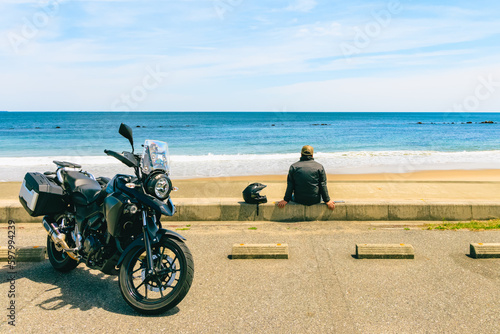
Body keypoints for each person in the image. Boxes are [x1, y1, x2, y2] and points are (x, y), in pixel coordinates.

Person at [277, 145, 335, 210]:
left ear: (301, 154)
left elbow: (290, 185)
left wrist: (286, 200)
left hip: (299, 199)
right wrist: (327, 200)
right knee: (319, 195)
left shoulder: (294, 167)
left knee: (293, 196)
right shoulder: (319, 167)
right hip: (315, 200)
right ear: (312, 155)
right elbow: (322, 185)